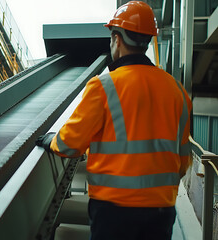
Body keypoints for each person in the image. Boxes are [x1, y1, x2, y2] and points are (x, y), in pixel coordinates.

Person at [35, 1, 192, 240]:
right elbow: (182, 162)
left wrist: (50, 141)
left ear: (117, 40)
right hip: (161, 210)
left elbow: (70, 145)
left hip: (114, 212)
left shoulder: (104, 87)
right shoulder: (177, 91)